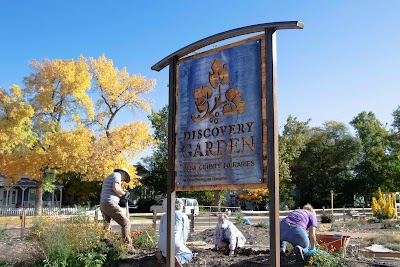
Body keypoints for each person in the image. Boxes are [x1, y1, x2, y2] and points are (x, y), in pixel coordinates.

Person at [100, 168, 132, 247]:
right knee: (125, 223)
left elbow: (111, 191)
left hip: (103, 203)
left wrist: (121, 197)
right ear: (123, 173)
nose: (123, 180)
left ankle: (104, 244)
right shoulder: (117, 175)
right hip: (110, 203)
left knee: (107, 224)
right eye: (125, 178)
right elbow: (116, 188)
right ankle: (127, 247)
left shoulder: (109, 177)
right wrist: (124, 194)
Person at [157, 198, 193, 266]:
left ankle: (161, 256)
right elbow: (185, 233)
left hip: (161, 243)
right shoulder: (183, 216)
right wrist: (182, 243)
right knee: (189, 254)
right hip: (175, 243)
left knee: (166, 252)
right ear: (181, 206)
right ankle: (179, 259)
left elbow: (160, 232)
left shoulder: (164, 216)